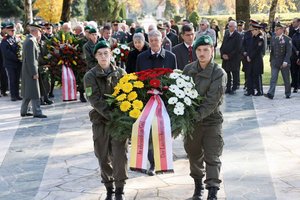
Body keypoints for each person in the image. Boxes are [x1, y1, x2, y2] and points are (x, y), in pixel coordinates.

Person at [183, 35, 227, 200]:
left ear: (212, 51)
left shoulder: (218, 73)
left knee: (212, 155)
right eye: (199, 50)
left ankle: (213, 191)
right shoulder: (188, 69)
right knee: (193, 154)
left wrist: (195, 116)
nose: (202, 53)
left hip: (211, 121)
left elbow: (211, 102)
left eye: (206, 50)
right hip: (192, 123)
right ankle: (198, 186)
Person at [84, 40, 128, 200]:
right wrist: (112, 116)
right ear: (95, 56)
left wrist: (123, 117)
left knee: (119, 156)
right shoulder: (90, 76)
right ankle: (109, 187)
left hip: (119, 125)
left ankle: (119, 190)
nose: (103, 57)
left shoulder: (121, 73)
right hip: (101, 122)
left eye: (106, 53)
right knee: (102, 157)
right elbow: (94, 100)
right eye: (100, 54)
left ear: (111, 54)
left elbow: (129, 96)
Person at [136, 29, 177, 176]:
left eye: (156, 40)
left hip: (165, 101)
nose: (154, 42)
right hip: (147, 100)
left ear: (162, 41)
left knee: (162, 130)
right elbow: (137, 79)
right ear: (148, 41)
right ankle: (152, 163)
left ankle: (164, 159)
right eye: (151, 40)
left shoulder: (171, 57)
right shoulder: (141, 58)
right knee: (149, 131)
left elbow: (174, 79)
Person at [20, 24, 47, 118]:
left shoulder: (29, 40)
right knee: (35, 91)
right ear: (35, 31)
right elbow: (32, 59)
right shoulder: (31, 41)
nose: (40, 33)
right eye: (39, 31)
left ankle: (23, 111)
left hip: (27, 70)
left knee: (28, 91)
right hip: (30, 70)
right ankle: (37, 112)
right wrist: (34, 73)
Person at [264, 23, 292, 99]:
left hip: (284, 63)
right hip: (275, 62)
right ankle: (271, 93)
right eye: (275, 29)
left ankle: (288, 93)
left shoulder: (287, 39)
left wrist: (286, 61)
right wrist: (270, 61)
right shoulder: (273, 38)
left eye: (277, 29)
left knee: (286, 79)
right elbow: (272, 51)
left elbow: (289, 52)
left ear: (282, 30)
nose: (275, 31)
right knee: (273, 78)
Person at [0, 22, 23, 101]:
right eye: (10, 31)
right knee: (12, 79)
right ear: (7, 31)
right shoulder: (4, 40)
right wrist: (17, 57)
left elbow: (20, 48)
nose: (12, 32)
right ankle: (13, 95)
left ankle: (17, 94)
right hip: (10, 64)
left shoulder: (17, 38)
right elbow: (6, 53)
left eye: (13, 30)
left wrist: (20, 57)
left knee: (17, 79)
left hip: (18, 63)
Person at [220, 20, 242, 95]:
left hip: (234, 59)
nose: (229, 27)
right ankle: (228, 87)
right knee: (227, 73)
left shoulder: (238, 36)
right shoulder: (226, 35)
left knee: (235, 73)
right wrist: (223, 54)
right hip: (226, 59)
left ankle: (234, 87)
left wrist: (229, 56)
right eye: (228, 26)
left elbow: (238, 48)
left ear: (235, 27)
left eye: (231, 26)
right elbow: (222, 46)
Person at [244, 23, 265, 96]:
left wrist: (250, 56)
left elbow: (257, 50)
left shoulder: (260, 38)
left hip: (256, 60)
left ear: (257, 30)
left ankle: (259, 91)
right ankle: (250, 91)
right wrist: (247, 55)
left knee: (257, 75)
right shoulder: (253, 38)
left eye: (253, 30)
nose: (252, 32)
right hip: (250, 60)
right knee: (249, 75)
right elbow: (249, 48)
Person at [291, 24, 300, 93]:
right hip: (294, 55)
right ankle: (295, 86)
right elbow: (292, 43)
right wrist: (295, 50)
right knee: (294, 72)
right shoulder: (295, 33)